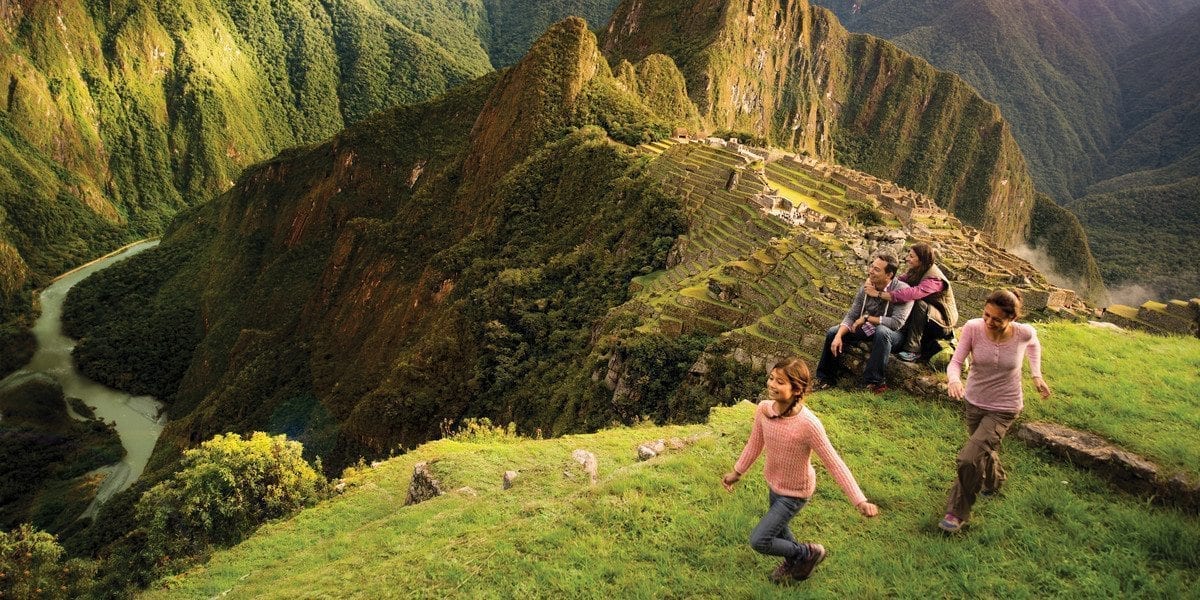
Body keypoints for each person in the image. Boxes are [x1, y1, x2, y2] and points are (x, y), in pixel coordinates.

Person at [722, 357, 879, 583]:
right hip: (774, 485)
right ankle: (794, 561)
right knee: (779, 531)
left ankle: (807, 553)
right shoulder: (764, 410)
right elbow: (755, 444)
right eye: (771, 378)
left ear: (797, 389)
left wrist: (859, 500)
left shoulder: (809, 424)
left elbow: (834, 462)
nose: (772, 385)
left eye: (780, 382)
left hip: (795, 492)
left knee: (760, 540)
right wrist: (737, 472)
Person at [939, 289, 1051, 533]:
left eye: (997, 319)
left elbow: (1034, 345)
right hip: (975, 402)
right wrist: (955, 380)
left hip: (1005, 407)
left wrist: (1036, 375)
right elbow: (956, 362)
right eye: (986, 315)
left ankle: (957, 512)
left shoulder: (1023, 333)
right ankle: (996, 480)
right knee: (983, 450)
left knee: (969, 458)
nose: (989, 322)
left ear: (1011, 318)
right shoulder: (973, 327)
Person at [814, 253, 913, 394]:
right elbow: (852, 314)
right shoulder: (866, 288)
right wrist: (839, 335)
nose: (871, 271)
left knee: (882, 331)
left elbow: (896, 323)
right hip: (871, 328)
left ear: (889, 275)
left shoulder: (902, 291)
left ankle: (875, 382)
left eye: (877, 269)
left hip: (895, 334)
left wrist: (867, 318)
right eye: (872, 266)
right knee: (833, 332)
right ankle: (826, 379)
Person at [871, 242, 958, 362]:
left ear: (922, 259)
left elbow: (915, 293)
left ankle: (913, 350)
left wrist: (882, 294)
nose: (908, 258)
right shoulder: (916, 270)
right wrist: (877, 281)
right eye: (908, 255)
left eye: (912, 256)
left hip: (943, 321)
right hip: (929, 315)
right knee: (903, 295)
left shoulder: (935, 279)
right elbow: (897, 282)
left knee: (918, 303)